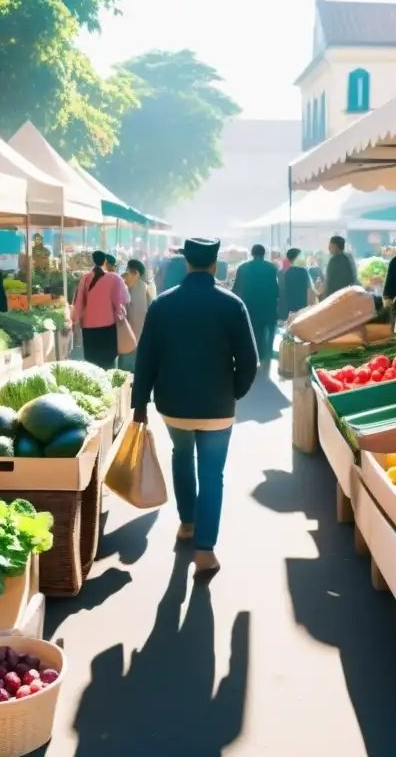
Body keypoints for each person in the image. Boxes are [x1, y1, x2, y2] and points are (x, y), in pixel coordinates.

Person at [131, 237, 258, 578]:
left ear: (186, 263)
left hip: (172, 404)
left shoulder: (162, 304)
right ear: (215, 264)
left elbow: (146, 358)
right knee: (212, 473)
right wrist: (235, 391)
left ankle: (186, 524)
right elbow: (250, 360)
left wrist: (139, 404)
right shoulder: (232, 304)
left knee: (181, 455)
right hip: (218, 405)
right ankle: (205, 551)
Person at [72, 251, 130, 370]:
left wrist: (74, 321)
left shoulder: (85, 278)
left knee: (91, 363)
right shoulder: (114, 278)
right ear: (105, 261)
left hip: (88, 329)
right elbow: (125, 299)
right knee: (108, 362)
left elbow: (78, 302)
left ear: (92, 262)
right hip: (108, 327)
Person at [232, 244, 279, 363]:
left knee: (253, 330)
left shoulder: (242, 268)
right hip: (268, 305)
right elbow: (275, 288)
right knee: (268, 329)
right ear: (264, 254)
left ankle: (256, 354)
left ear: (252, 254)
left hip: (249, 304)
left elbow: (237, 288)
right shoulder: (272, 268)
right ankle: (266, 354)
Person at [119, 259, 153, 371]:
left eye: (128, 272)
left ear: (136, 274)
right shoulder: (135, 287)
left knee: (128, 372)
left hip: (133, 340)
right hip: (134, 339)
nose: (125, 276)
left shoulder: (140, 288)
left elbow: (137, 319)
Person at [279, 248, 313, 319]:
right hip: (301, 311)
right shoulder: (303, 272)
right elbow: (309, 291)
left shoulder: (281, 273)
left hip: (285, 312)